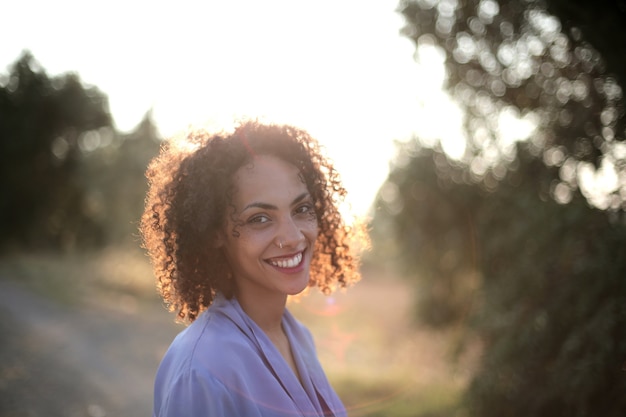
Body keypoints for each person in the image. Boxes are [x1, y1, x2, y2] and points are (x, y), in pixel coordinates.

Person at [140, 120, 363, 417]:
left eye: (301, 209)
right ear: (214, 232)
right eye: (260, 218)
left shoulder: (299, 338)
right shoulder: (201, 371)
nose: (294, 237)